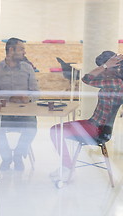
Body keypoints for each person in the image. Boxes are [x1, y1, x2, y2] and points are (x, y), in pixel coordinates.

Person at [49, 51, 123, 181]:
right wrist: (106, 66)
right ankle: (67, 167)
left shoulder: (115, 82)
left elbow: (86, 78)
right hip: (94, 124)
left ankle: (67, 168)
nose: (102, 72)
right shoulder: (114, 80)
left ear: (112, 67)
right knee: (56, 129)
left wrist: (105, 66)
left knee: (55, 130)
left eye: (104, 68)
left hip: (97, 129)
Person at [0, 37, 39, 171]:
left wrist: (27, 98)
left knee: (32, 126)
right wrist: (11, 97)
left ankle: (18, 154)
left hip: (24, 113)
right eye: (21, 49)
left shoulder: (28, 68)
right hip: (4, 113)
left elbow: (36, 93)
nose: (24, 53)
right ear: (11, 50)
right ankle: (6, 157)